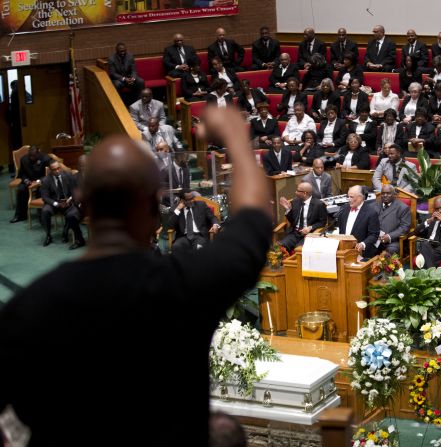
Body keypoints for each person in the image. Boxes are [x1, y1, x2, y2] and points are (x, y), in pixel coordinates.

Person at [0, 105, 272, 446]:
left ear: (83, 202)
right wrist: (235, 137)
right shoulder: (185, 286)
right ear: (153, 204)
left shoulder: (27, 308)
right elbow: (254, 221)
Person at [39, 160, 85, 249]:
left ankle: (66, 231)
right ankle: (48, 235)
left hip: (68, 202)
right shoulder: (46, 180)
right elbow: (45, 197)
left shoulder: (68, 176)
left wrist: (69, 200)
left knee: (72, 214)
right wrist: (56, 204)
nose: (57, 171)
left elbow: (74, 191)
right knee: (45, 211)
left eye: (58, 168)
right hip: (54, 203)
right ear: (50, 170)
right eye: (54, 169)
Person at [278, 182, 328, 252]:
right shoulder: (295, 201)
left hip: (309, 234)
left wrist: (310, 227)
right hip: (295, 233)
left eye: (298, 190)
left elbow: (323, 222)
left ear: (305, 193)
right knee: (280, 247)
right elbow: (292, 221)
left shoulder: (319, 205)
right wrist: (288, 209)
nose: (295, 192)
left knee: (299, 250)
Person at [10, 145, 51, 223]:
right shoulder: (24, 159)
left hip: (42, 181)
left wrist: (39, 181)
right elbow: (21, 174)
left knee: (40, 190)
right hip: (29, 180)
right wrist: (25, 180)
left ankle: (42, 217)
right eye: (30, 156)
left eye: (34, 156)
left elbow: (49, 173)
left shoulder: (45, 158)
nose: (32, 158)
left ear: (38, 153)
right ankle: (20, 215)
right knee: (21, 189)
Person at [337, 185, 379, 258]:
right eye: (348, 196)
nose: (349, 199)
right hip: (343, 250)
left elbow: (374, 234)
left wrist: (363, 244)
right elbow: (340, 229)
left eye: (351, 197)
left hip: (361, 252)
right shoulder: (344, 208)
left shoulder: (371, 213)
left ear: (360, 197)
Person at [374, 184, 411, 255]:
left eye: (388, 193)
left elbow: (404, 227)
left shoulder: (403, 208)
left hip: (393, 241)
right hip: (375, 239)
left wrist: (389, 236)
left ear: (394, 195)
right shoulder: (375, 205)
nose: (385, 195)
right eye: (383, 193)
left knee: (391, 251)